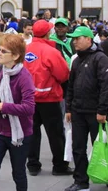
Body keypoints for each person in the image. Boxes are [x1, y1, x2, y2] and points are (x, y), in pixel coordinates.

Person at [0, 34, 36, 191]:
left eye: (3, 51)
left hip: (19, 134)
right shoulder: (0, 70)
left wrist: (2, 106)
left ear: (15, 55)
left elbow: (29, 108)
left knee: (18, 173)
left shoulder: (24, 77)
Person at [64, 26, 108, 191]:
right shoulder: (76, 60)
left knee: (100, 145)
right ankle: (81, 181)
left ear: (88, 39)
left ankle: (107, 173)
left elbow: (106, 86)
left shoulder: (101, 58)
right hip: (78, 110)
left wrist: (102, 111)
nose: (75, 41)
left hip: (94, 112)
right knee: (78, 147)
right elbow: (70, 86)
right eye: (74, 39)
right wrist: (69, 108)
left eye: (78, 38)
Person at [24, 20, 72, 177]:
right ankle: (59, 165)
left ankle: (32, 164)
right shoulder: (51, 51)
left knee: (31, 132)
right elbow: (63, 74)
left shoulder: (26, 50)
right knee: (56, 134)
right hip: (49, 98)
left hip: (30, 98)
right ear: (47, 32)